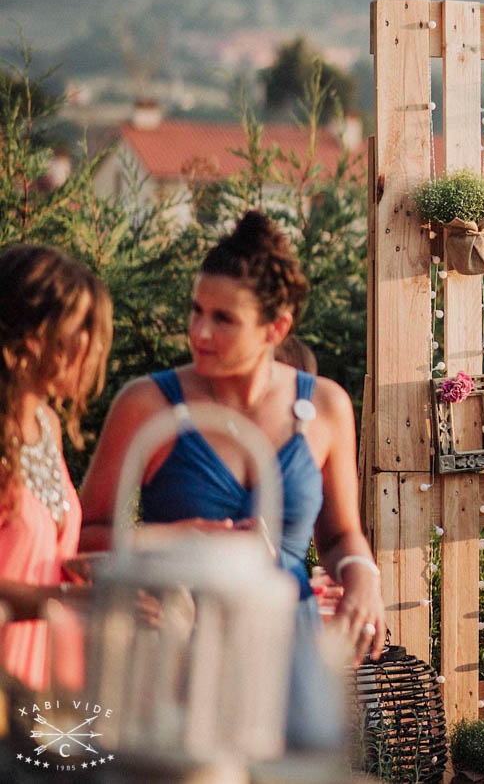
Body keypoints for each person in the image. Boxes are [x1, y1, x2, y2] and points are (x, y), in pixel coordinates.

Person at [78, 211, 381, 746]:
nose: (199, 332)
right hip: (175, 650)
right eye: (196, 311)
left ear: (276, 328)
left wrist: (362, 575)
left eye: (223, 319)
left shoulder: (327, 405)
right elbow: (85, 535)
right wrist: (184, 538)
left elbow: (338, 535)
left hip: (289, 648)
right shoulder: (145, 405)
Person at [0, 244, 112, 690]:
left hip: (34, 688)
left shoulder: (46, 424)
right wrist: (71, 599)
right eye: (82, 327)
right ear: (34, 335)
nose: (94, 343)